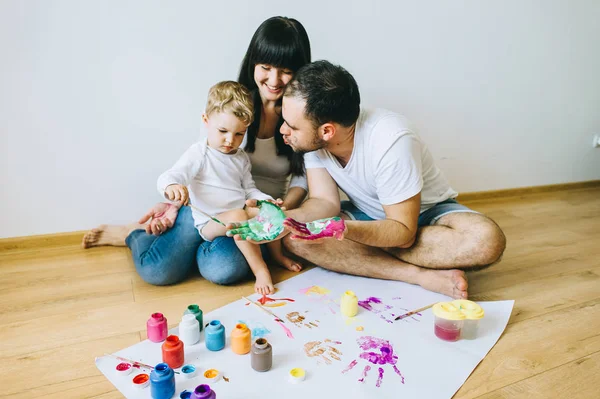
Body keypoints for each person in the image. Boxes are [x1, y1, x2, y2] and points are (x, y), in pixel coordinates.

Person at [229, 60, 507, 299]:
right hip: (369, 217)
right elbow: (324, 202)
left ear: (327, 131)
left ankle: (379, 258)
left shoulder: (391, 139)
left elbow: (402, 232)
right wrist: (286, 220)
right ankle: (416, 274)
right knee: (296, 238)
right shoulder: (312, 141)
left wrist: (346, 232)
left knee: (485, 240)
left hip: (425, 215)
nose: (283, 131)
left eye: (291, 126)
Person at [82, 16, 311, 286]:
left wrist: (276, 210)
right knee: (159, 271)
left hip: (247, 215)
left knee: (225, 268)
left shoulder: (302, 115)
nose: (274, 80)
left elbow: (299, 177)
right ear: (253, 65)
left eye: (285, 70)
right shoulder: (231, 106)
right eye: (266, 67)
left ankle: (194, 250)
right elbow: (198, 162)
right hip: (204, 210)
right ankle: (134, 234)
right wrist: (174, 201)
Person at [158, 81, 283, 295]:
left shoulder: (241, 158)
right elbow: (170, 175)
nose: (229, 140)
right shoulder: (199, 153)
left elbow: (249, 189)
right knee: (239, 215)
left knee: (269, 212)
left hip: (237, 217)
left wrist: (266, 200)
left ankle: (280, 256)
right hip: (210, 222)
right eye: (223, 131)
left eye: (238, 134)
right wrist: (172, 185)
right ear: (206, 121)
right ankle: (261, 270)